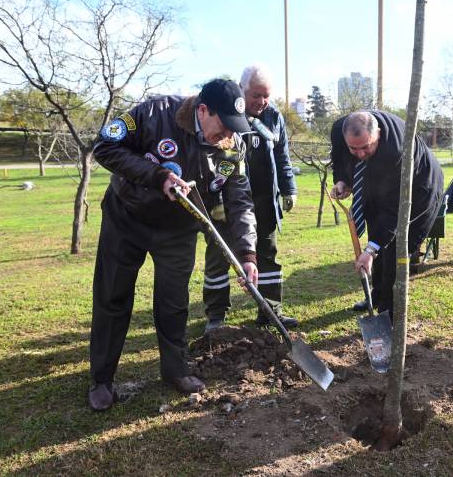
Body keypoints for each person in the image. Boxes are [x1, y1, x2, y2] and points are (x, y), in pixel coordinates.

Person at [89, 79, 259, 411]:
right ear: (203, 110)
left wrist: (248, 253)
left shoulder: (232, 145)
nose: (227, 135)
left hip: (179, 229)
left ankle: (175, 370)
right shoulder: (153, 113)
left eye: (234, 128)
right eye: (223, 125)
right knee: (113, 297)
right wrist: (157, 176)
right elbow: (105, 147)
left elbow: (239, 200)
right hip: (127, 217)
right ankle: (102, 379)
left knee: (173, 302)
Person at [202, 64, 298, 332]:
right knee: (219, 255)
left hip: (265, 199)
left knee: (267, 254)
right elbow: (215, 159)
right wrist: (217, 199)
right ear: (242, 89)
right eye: (256, 95)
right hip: (227, 199)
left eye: (266, 95)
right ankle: (216, 316)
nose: (261, 101)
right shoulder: (227, 113)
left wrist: (289, 188)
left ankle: (271, 311)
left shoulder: (274, 117)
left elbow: (282, 156)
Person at [330, 111, 443, 317]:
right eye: (353, 148)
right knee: (377, 236)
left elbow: (393, 212)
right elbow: (339, 157)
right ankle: (376, 296)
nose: (360, 154)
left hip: (418, 192)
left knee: (394, 250)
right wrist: (342, 179)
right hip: (377, 184)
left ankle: (388, 313)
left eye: (366, 147)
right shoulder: (340, 130)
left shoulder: (396, 151)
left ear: (379, 134)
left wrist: (371, 249)